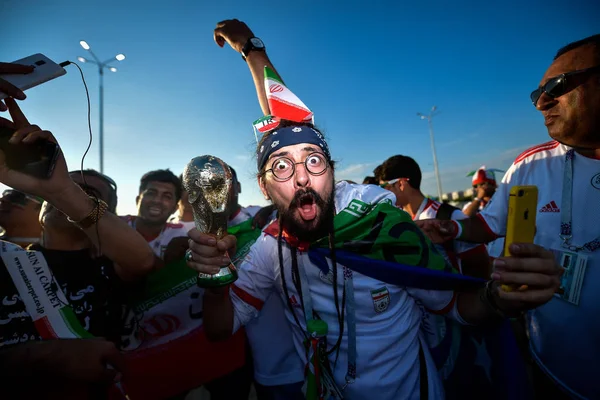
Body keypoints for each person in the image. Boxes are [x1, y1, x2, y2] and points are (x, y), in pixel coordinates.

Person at [188, 22, 562, 397]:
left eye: (315, 162)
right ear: (264, 187)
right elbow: (221, 327)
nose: (302, 179)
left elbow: (457, 306)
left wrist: (499, 297)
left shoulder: (379, 222)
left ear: (333, 173)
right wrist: (216, 280)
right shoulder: (272, 246)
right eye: (282, 167)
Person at [416, 34, 600, 400]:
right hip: (552, 369)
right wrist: (452, 227)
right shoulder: (531, 165)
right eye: (537, 93)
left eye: (558, 86)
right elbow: (488, 224)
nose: (542, 102)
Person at [0, 97, 155, 397]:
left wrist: (65, 191)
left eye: (90, 196)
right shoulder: (6, 260)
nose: (70, 197)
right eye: (66, 187)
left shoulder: (110, 269)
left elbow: (142, 261)